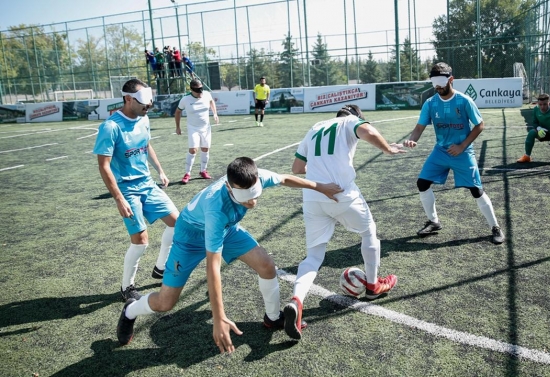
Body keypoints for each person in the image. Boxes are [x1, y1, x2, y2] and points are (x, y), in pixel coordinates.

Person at [116, 157, 343, 353]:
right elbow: (213, 268)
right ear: (229, 187)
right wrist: (219, 317)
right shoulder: (217, 208)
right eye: (246, 197)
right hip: (190, 237)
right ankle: (131, 310)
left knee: (266, 265)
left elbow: (284, 178)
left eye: (255, 194)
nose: (252, 201)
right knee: (166, 302)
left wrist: (320, 186)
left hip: (227, 229)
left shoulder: (255, 175)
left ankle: (273, 318)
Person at [283, 104, 405, 340]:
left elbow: (297, 168)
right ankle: (372, 287)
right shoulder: (350, 122)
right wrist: (388, 148)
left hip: (313, 196)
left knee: (313, 257)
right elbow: (367, 131)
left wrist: (319, 170)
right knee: (369, 232)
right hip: (341, 194)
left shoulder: (316, 126)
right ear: (356, 116)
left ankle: (296, 301)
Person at [93, 78, 179, 301]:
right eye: (144, 104)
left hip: (147, 184)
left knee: (178, 224)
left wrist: (160, 170)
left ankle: (161, 268)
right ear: (128, 99)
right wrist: (119, 198)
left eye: (149, 104)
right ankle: (127, 287)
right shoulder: (110, 127)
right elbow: (104, 166)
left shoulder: (144, 118)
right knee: (141, 241)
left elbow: (146, 145)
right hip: (127, 190)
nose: (147, 108)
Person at [403, 62, 505, 244]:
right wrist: (413, 139)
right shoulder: (430, 103)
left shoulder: (464, 100)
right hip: (440, 151)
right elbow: (419, 127)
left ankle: (495, 227)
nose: (438, 86)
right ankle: (434, 222)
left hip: (462, 152)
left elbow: (480, 125)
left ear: (451, 79)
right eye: (434, 82)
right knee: (422, 183)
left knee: (476, 190)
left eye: (441, 81)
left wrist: (462, 146)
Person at [175, 79, 219, 184]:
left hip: (206, 128)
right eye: (198, 90)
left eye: (201, 89)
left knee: (205, 148)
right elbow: (177, 112)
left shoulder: (207, 94)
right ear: (192, 89)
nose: (200, 92)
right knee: (193, 150)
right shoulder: (185, 99)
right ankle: (187, 173)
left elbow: (211, 101)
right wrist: (178, 127)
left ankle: (203, 171)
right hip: (193, 128)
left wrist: (215, 113)